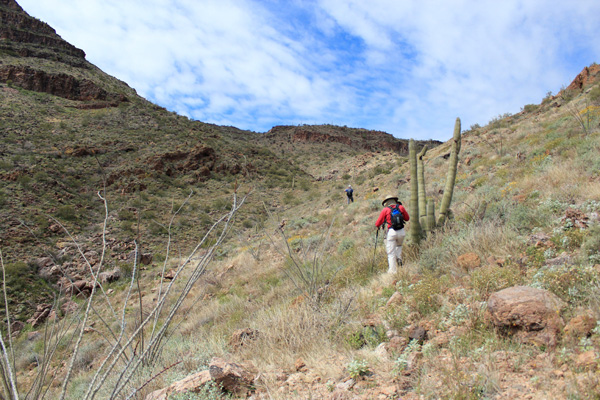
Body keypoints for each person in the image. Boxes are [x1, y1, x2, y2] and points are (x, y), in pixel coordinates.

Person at [375, 194, 410, 274]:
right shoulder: (400, 207)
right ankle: (399, 262)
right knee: (399, 247)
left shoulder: (386, 210)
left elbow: (378, 223)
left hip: (391, 232)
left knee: (391, 253)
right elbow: (407, 218)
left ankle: (392, 271)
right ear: (394, 200)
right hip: (401, 231)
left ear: (386, 202)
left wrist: (378, 226)